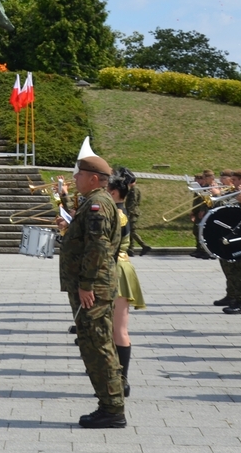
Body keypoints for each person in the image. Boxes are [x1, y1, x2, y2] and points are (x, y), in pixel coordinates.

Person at [55, 147, 126, 429]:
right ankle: (109, 404)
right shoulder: (93, 202)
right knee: (94, 344)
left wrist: (86, 285)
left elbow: (97, 247)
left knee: (98, 346)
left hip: (92, 287)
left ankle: (112, 409)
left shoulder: (98, 204)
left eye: (80, 175)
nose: (75, 178)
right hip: (92, 285)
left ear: (94, 179)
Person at [108, 167, 146, 398]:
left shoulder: (116, 214)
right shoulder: (119, 212)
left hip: (116, 269)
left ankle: (120, 380)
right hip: (122, 266)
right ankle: (119, 380)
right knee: (117, 328)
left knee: (118, 329)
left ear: (114, 193)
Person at [213, 169, 241, 314]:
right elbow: (220, 209)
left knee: (239, 269)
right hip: (229, 234)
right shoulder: (234, 193)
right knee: (229, 267)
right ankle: (232, 295)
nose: (231, 183)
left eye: (234, 180)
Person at [124, 175, 151, 256]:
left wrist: (128, 213)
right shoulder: (135, 189)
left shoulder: (134, 190)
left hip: (132, 213)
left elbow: (133, 202)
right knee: (130, 230)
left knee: (132, 231)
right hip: (133, 212)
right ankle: (130, 249)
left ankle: (144, 246)